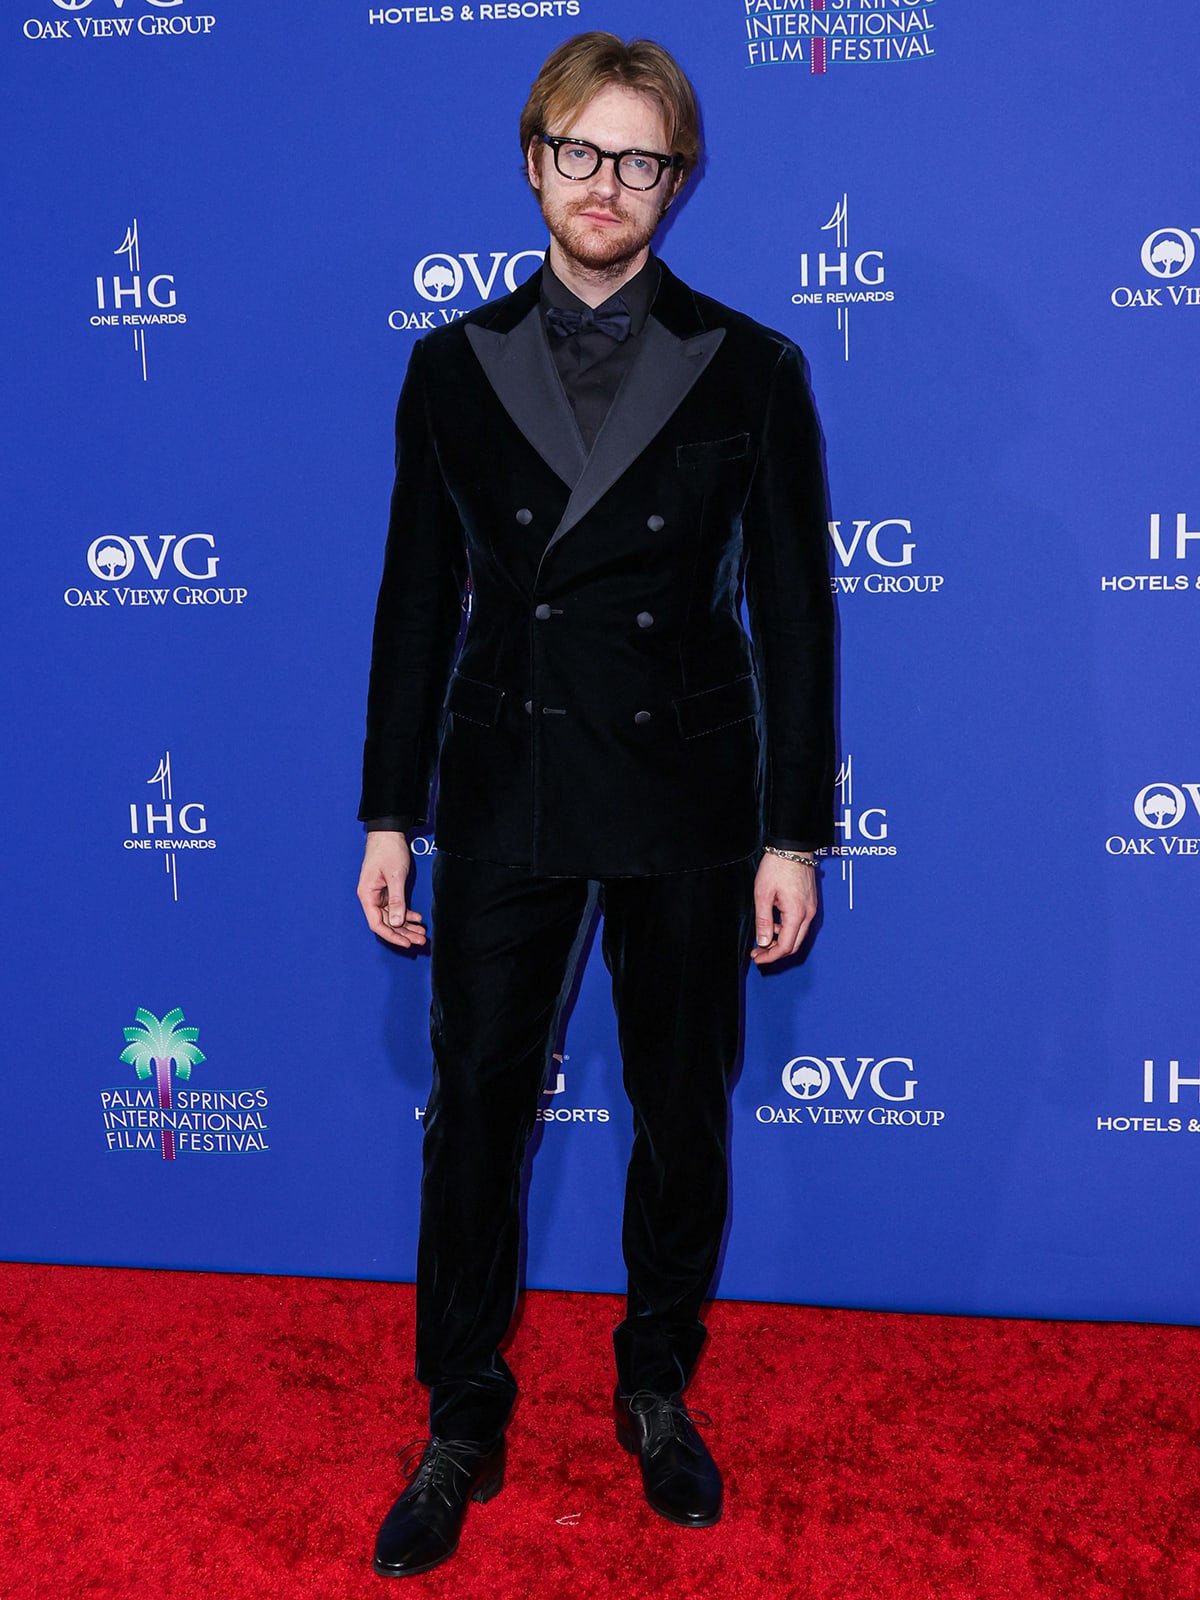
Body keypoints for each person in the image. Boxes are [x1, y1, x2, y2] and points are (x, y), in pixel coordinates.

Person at [356, 31, 835, 1579]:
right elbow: (413, 606)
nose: (608, 183)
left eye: (640, 159)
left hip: (688, 796)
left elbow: (793, 612)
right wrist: (387, 812)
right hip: (506, 785)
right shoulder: (447, 367)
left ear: (676, 182)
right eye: (583, 151)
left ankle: (654, 1387)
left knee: (680, 1114)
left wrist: (790, 831)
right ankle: (462, 1412)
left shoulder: (753, 367)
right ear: (534, 160)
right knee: (477, 1113)